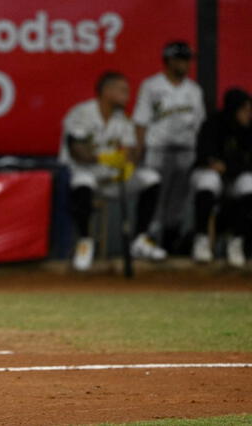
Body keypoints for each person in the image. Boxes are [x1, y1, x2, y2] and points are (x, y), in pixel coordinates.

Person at [60, 71, 165, 271]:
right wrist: (106, 157)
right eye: (122, 91)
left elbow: (133, 153)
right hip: (85, 175)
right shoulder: (81, 113)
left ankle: (140, 240)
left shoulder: (123, 120)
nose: (127, 95)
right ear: (107, 91)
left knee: (151, 179)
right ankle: (85, 243)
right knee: (84, 181)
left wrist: (129, 162)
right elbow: (77, 151)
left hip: (112, 180)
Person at [133, 41, 205, 253]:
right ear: (170, 60)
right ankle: (145, 244)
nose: (186, 64)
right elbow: (141, 121)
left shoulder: (194, 90)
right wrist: (139, 152)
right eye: (182, 59)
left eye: (188, 60)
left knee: (177, 204)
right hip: (158, 151)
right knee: (154, 199)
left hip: (185, 152)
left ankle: (169, 246)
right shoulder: (151, 85)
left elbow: (200, 124)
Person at [191, 88, 252, 267]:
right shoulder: (213, 124)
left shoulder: (249, 130)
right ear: (234, 109)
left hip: (234, 177)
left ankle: (237, 241)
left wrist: (228, 167)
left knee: (250, 184)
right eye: (245, 110)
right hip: (211, 175)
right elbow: (204, 156)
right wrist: (221, 165)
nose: (248, 114)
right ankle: (201, 239)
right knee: (208, 180)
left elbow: (247, 164)